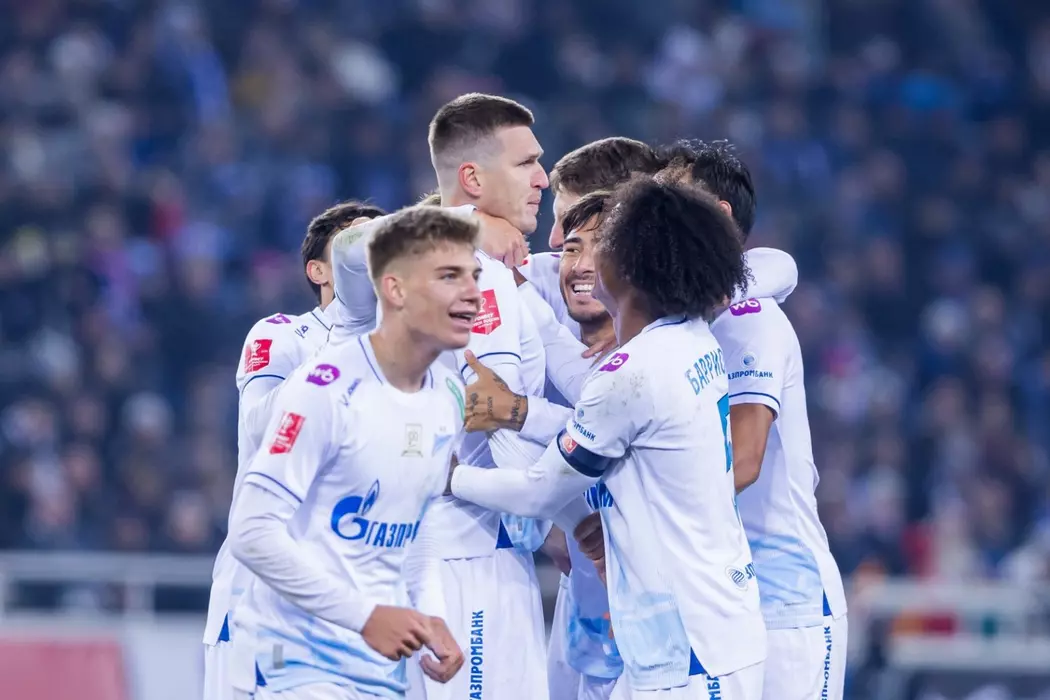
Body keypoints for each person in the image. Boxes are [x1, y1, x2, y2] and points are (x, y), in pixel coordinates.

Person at [449, 177, 767, 699]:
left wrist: (453, 478)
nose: (590, 258)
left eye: (607, 243)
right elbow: (594, 396)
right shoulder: (689, 339)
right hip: (707, 625)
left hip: (690, 655)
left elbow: (538, 492)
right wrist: (516, 288)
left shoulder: (633, 374)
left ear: (633, 266)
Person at [225, 205, 480, 700]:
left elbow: (415, 524)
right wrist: (366, 616)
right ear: (394, 290)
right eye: (448, 276)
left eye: (473, 275)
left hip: (380, 670)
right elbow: (251, 532)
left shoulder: (447, 396)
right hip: (295, 667)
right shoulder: (324, 387)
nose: (472, 293)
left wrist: (432, 615)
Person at [664, 140, 848, 700]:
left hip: (786, 605)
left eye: (669, 198)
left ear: (717, 213)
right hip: (722, 602)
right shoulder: (684, 323)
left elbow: (743, 462)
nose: (653, 214)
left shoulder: (748, 319)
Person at [203, 200, 386, 700]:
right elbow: (260, 425)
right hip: (263, 593)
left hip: (355, 596)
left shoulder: (405, 357)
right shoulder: (282, 333)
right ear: (319, 270)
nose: (372, 251)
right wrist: (345, 346)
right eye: (356, 240)